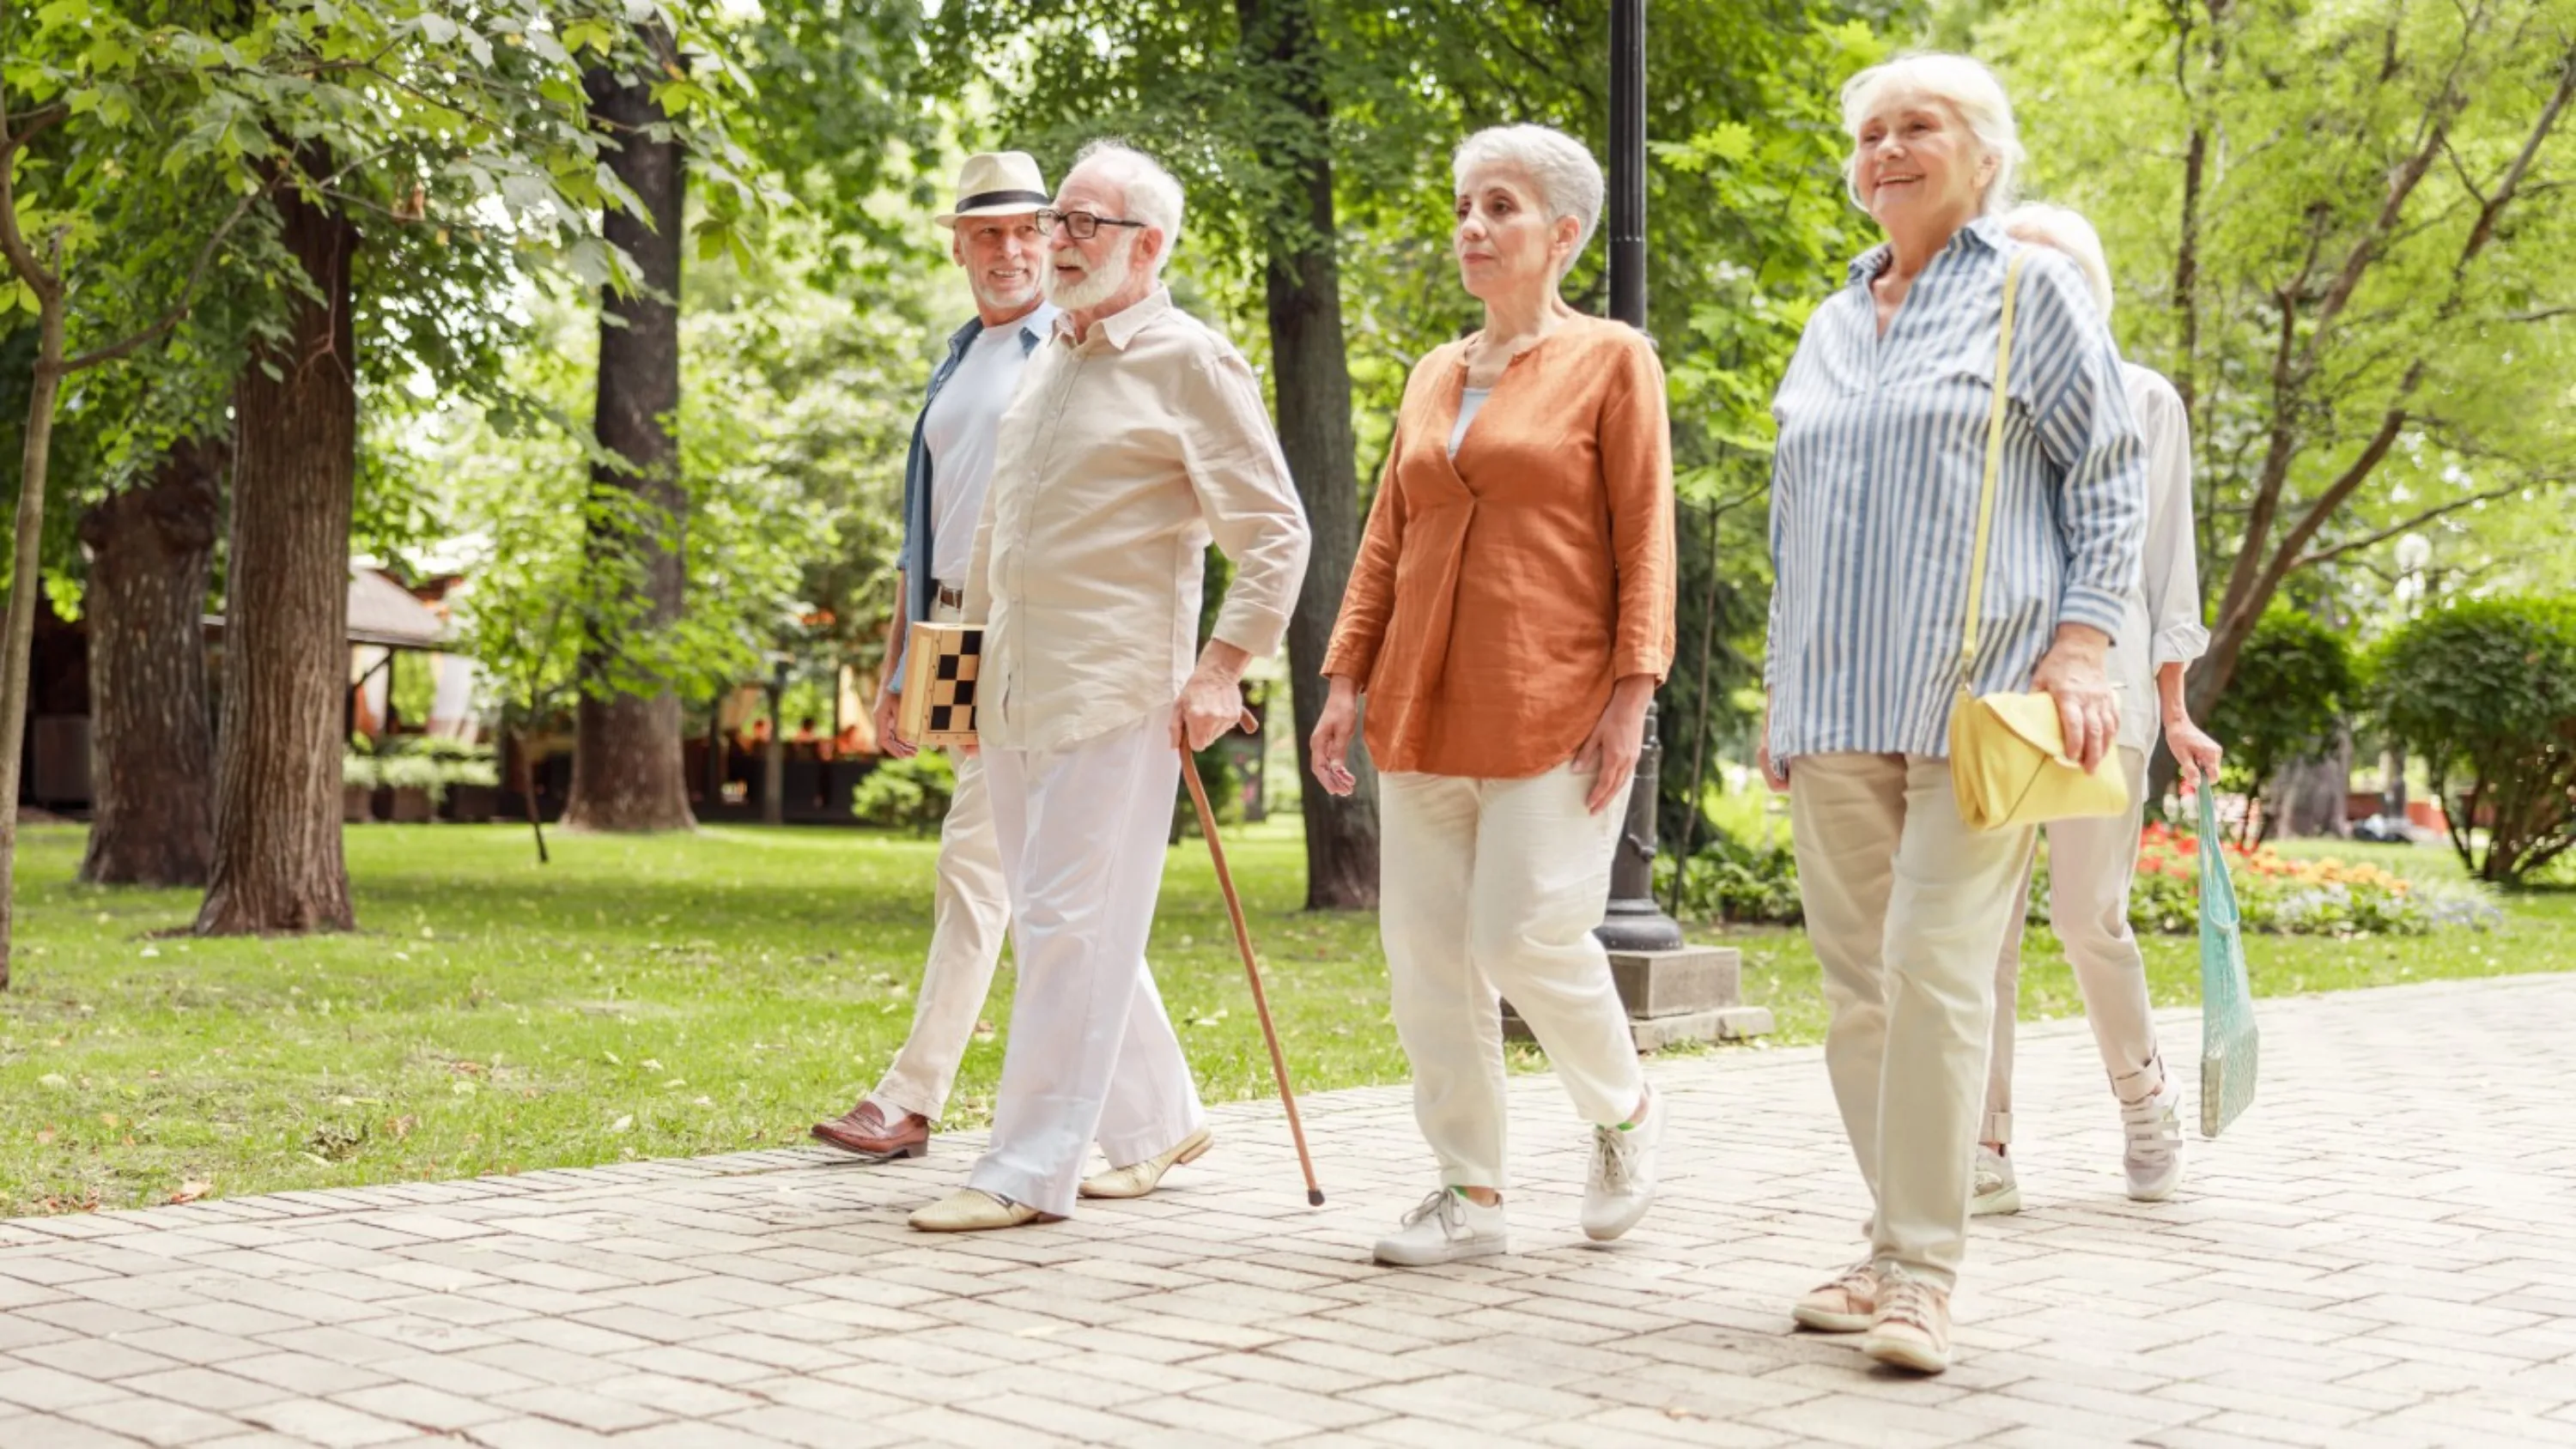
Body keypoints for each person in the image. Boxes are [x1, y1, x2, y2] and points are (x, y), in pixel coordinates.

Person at [1759, 52, 2146, 1373]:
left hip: (1979, 698)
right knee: (1858, 993)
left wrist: (2084, 648)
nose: (1886, 151)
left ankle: (1923, 1272)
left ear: (1983, 155)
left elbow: (2107, 475)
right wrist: (1777, 690)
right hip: (1833, 701)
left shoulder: (2031, 294)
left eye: (1916, 127)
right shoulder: (1829, 319)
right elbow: (1793, 523)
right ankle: (1886, 1244)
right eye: (1869, 134)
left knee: (1932, 973)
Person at [908, 141, 1311, 1233]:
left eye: (1083, 223)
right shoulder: (1054, 356)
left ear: (1151, 244)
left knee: (1069, 922)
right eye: (1056, 221)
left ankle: (1026, 1166)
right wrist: (958, 680)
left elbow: (1275, 530)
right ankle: (1154, 1123)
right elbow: (997, 528)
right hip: (1014, 690)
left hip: (1118, 692)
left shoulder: (1190, 360)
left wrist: (1224, 665)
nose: (1055, 240)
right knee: (1052, 923)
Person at [1310, 124, 1674, 1268]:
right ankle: (1470, 1188)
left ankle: (1623, 1112)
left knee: (1524, 935)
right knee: (1425, 953)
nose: (1473, 226)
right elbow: (1385, 540)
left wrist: (1633, 692)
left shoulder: (1616, 360)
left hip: (1553, 701)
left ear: (1563, 233)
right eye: (1466, 204)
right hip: (1421, 704)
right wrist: (1343, 681)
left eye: (1501, 206)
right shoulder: (1434, 373)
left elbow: (1645, 534)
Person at [1973, 203, 2226, 1216]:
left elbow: (2166, 565)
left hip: (2104, 692)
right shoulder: (1976, 402)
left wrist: (2174, 706)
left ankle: (2143, 1099)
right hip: (1993, 693)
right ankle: (1983, 1143)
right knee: (1978, 929)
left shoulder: (2141, 396)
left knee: (2089, 917)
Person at [809, 152, 1059, 1162]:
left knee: (979, 865)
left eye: (1027, 230)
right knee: (1028, 876)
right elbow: (927, 530)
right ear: (958, 244)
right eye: (988, 233)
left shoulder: (1066, 352)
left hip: (1027, 636)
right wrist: (895, 661)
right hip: (950, 633)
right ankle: (1163, 1114)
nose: (1009, 250)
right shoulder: (959, 362)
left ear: (1053, 237)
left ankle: (909, 1097)